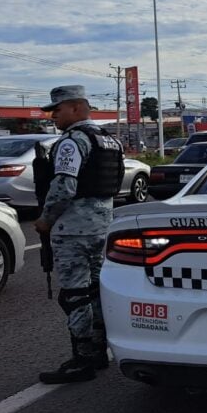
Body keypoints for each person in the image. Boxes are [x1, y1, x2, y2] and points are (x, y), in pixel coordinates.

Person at [34, 85, 125, 384]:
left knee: (74, 295)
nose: (53, 116)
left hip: (73, 229)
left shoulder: (73, 142)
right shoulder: (110, 140)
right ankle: (99, 349)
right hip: (101, 227)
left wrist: (46, 220)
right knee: (95, 290)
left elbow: (64, 186)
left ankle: (82, 359)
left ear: (74, 108)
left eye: (56, 110)